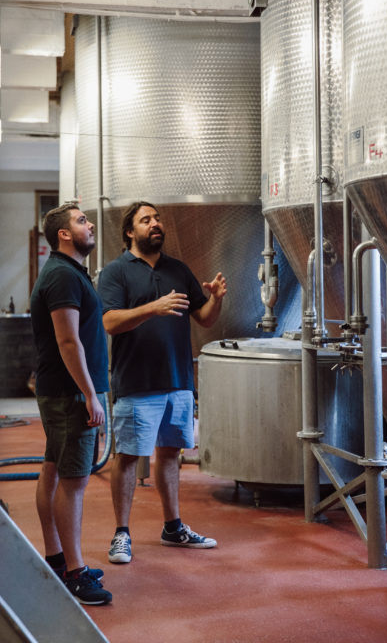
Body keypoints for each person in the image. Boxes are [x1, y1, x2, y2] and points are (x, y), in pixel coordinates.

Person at [97, 201, 227, 565]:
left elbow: (203, 318)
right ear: (130, 231)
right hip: (137, 381)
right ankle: (121, 533)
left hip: (178, 379)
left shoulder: (177, 269)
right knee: (128, 457)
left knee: (170, 453)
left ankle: (173, 527)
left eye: (157, 219)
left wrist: (215, 299)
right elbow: (109, 322)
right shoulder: (116, 271)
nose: (155, 224)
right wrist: (152, 308)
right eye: (146, 220)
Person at [30, 203, 112, 605]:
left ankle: (57, 560)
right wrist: (90, 394)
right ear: (63, 234)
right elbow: (67, 340)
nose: (90, 223)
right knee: (74, 481)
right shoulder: (62, 275)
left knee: (54, 469)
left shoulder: (67, 271)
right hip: (70, 394)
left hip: (63, 391)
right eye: (81, 220)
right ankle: (76, 573)